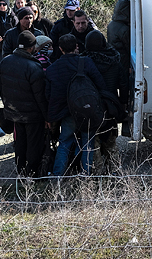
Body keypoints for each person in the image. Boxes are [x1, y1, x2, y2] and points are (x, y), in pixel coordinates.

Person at [45, 33, 107, 176]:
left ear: (60, 49)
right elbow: (100, 83)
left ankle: (58, 175)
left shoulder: (52, 69)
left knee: (65, 142)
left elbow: (49, 96)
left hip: (67, 113)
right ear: (77, 47)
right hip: (86, 110)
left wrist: (52, 116)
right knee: (87, 142)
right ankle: (85, 175)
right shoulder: (86, 62)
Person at [0, 30, 49, 177]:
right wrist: (47, 117)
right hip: (33, 115)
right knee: (33, 144)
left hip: (14, 113)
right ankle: (32, 174)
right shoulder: (34, 67)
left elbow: (0, 86)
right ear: (31, 47)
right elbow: (40, 97)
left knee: (19, 142)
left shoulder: (5, 61)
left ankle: (20, 171)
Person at [82, 29, 128, 171]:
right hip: (111, 105)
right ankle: (114, 171)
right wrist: (122, 103)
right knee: (111, 140)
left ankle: (98, 174)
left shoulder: (84, 61)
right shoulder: (114, 59)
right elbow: (124, 84)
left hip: (91, 106)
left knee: (93, 140)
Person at [107, 0, 131, 74]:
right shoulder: (124, 29)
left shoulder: (111, 24)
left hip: (115, 59)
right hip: (124, 61)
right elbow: (130, 47)